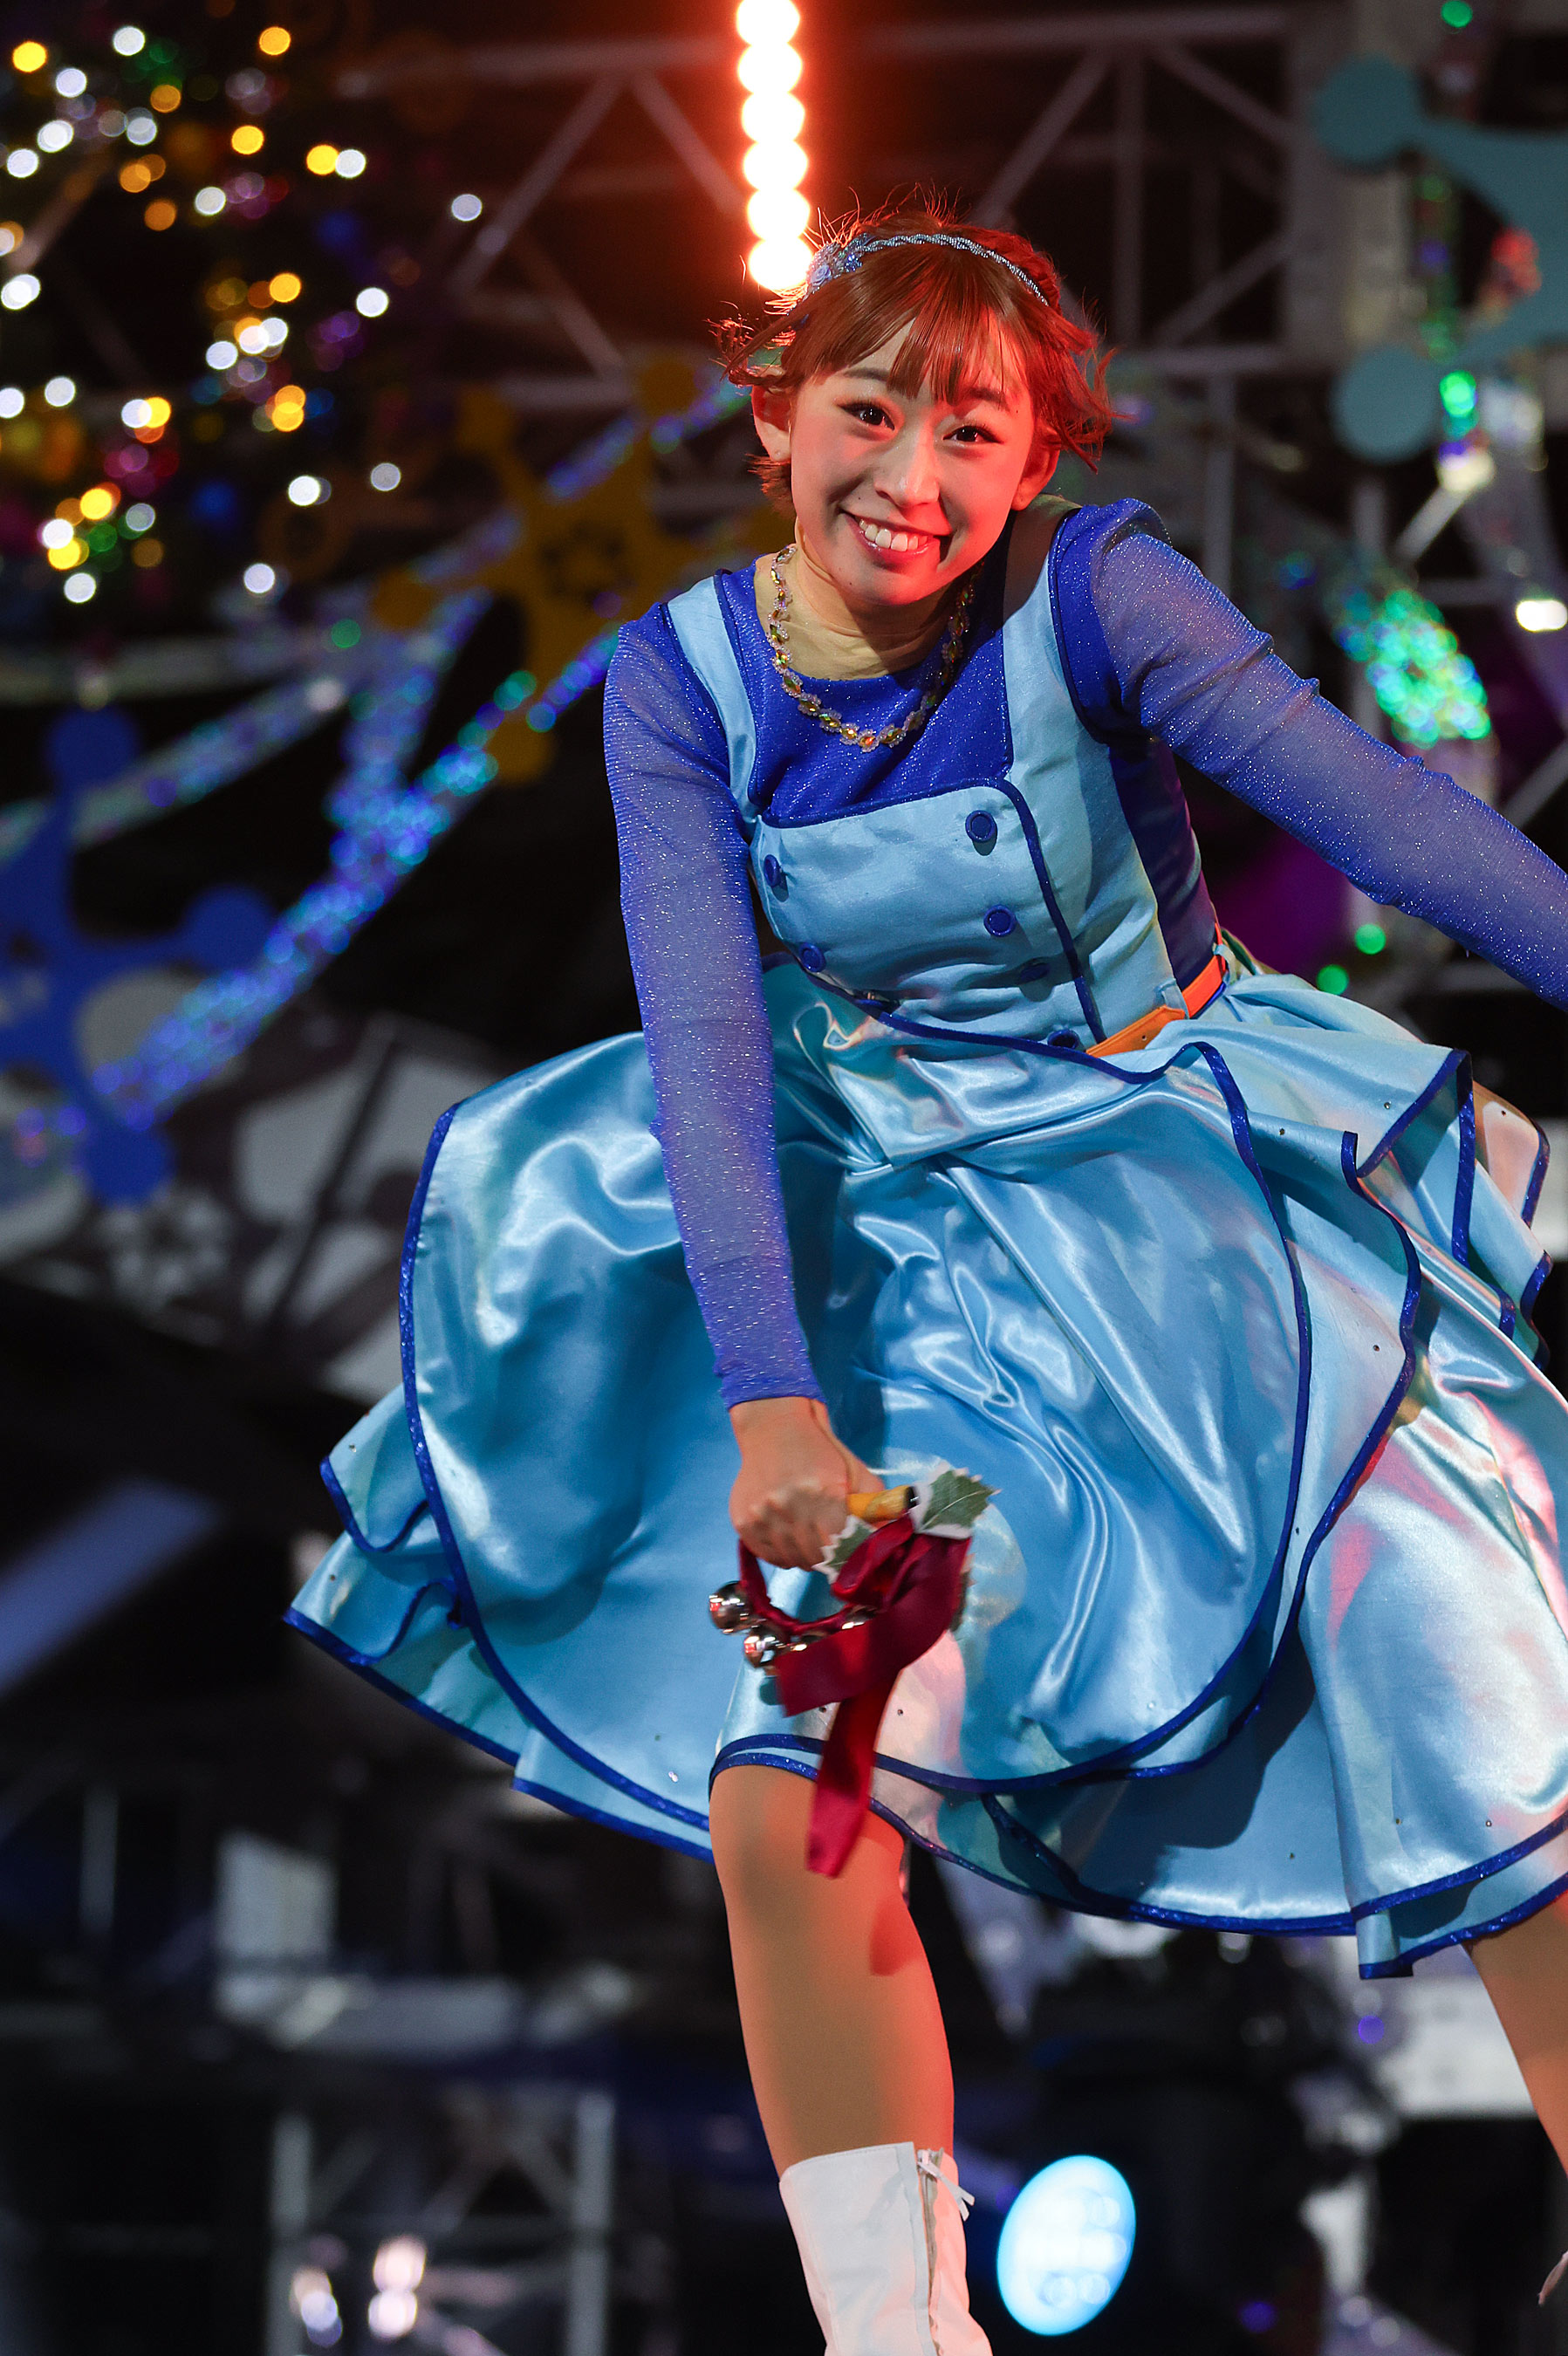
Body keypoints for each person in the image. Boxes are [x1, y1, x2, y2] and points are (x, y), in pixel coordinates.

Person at [291, 199, 1568, 2353]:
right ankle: (897, 2332)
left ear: (1031, 461)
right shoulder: (684, 684)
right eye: (868, 412)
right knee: (798, 1770)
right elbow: (705, 1044)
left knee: (1471, 1666)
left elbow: (1388, 824)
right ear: (775, 416)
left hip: (1200, 1215)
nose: (912, 475)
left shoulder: (1095, 595)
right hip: (911, 1265)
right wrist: (772, 1405)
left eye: (971, 432)